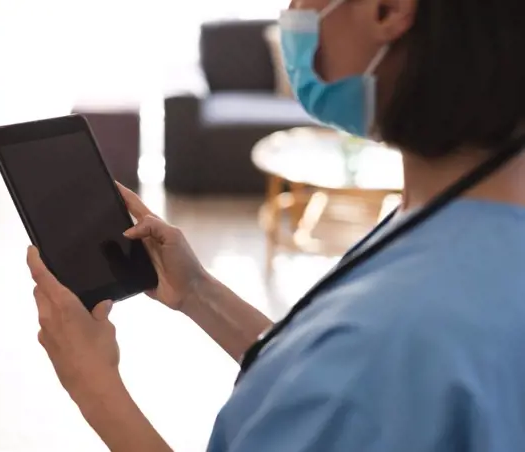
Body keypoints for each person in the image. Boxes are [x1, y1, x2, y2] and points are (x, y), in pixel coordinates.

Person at [26, 0, 525, 450]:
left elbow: (356, 375)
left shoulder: (390, 334)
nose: (293, 13)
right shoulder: (459, 226)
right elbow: (326, 381)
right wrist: (198, 292)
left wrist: (94, 387)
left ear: (387, 11)